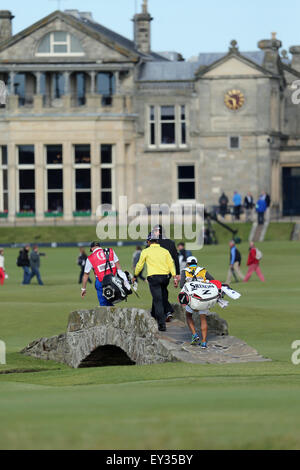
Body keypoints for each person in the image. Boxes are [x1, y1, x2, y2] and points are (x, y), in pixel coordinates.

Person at [132, 235, 177, 332]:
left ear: (149, 241)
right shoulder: (165, 251)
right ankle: (153, 313)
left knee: (158, 300)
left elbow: (139, 265)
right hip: (165, 277)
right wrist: (174, 276)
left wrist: (135, 275)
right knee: (161, 296)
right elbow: (171, 264)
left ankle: (161, 325)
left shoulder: (146, 251)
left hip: (154, 278)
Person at [179, 256, 217, 349]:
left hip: (192, 299)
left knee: (188, 316)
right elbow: (213, 280)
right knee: (203, 318)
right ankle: (204, 342)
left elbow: (181, 285)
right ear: (196, 263)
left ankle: (194, 334)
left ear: (187, 263)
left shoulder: (185, 271)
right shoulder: (203, 270)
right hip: (204, 298)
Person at [81, 241, 126, 306]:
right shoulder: (111, 251)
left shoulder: (90, 258)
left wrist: (83, 289)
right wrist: (123, 279)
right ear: (99, 247)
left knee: (104, 305)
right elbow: (118, 266)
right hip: (113, 280)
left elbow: (86, 275)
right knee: (111, 301)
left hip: (100, 282)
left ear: (92, 248)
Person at [151, 224, 180, 321]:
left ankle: (167, 311)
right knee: (162, 291)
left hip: (154, 272)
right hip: (167, 273)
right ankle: (154, 312)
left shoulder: (153, 243)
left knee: (158, 293)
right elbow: (175, 259)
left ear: (156, 232)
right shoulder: (170, 243)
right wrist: (177, 274)